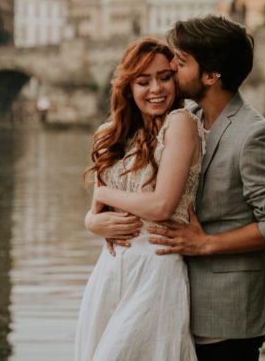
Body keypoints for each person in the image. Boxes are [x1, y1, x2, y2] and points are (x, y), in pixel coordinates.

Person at [87, 15, 265, 361]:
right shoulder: (187, 119)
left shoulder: (254, 134)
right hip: (171, 295)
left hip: (227, 312)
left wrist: (206, 243)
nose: (172, 66)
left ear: (211, 76)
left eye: (181, 61)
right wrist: (94, 221)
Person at [75, 37, 206, 361]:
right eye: (143, 81)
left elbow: (162, 206)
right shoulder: (109, 134)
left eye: (164, 77)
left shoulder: (181, 123)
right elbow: (96, 212)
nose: (156, 89)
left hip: (156, 266)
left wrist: (103, 193)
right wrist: (91, 223)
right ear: (128, 87)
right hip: (110, 268)